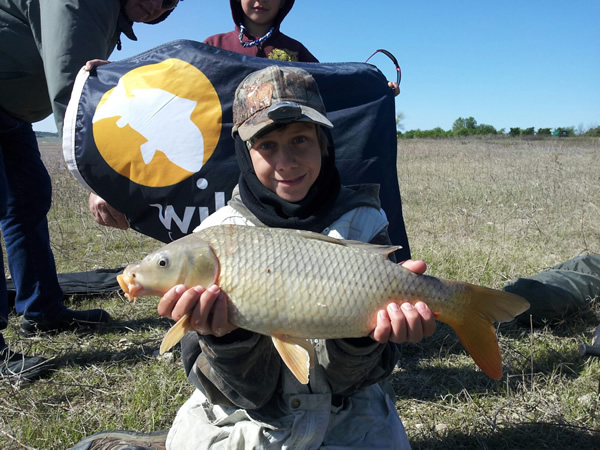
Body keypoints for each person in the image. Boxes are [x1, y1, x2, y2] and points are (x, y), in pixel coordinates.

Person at [0, 0, 182, 381]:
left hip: (10, 112)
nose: (155, 5)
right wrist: (98, 178)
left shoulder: (110, 16)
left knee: (28, 200)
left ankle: (42, 311)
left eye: (169, 1)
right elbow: (73, 89)